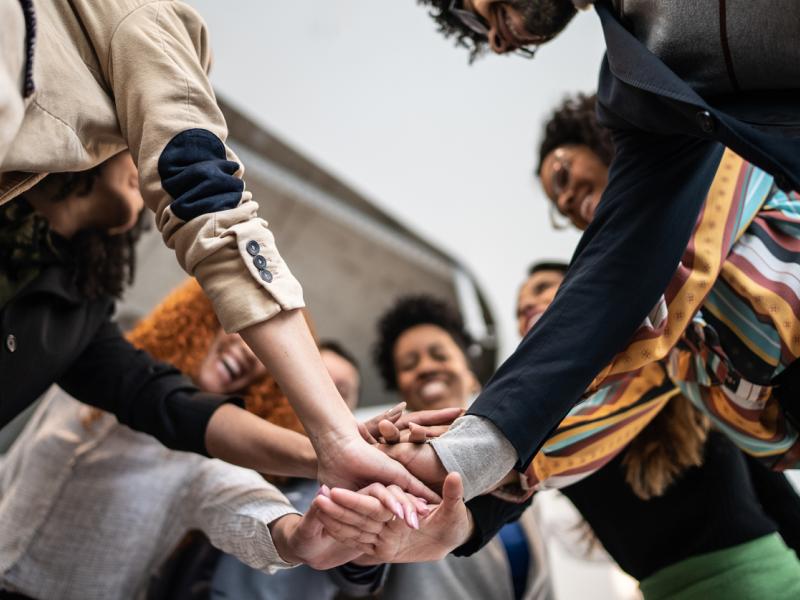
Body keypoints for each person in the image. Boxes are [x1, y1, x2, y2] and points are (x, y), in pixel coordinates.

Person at [0, 0, 429, 498]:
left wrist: (326, 451)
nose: (139, 136)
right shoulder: (143, 22)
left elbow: (163, 400)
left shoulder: (75, 317)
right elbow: (205, 193)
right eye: (132, 125)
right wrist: (335, 431)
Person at [405, 0, 800, 503]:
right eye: (558, 205)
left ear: (598, 142)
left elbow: (632, 279)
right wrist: (465, 477)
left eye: (563, 175)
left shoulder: (718, 142)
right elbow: (615, 387)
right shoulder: (649, 89)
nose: (495, 41)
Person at [0, 281, 418, 600]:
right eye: (247, 329)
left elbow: (243, 504)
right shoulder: (94, 371)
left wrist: (291, 537)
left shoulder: (201, 462)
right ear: (204, 312)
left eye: (268, 362)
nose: (253, 354)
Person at [335, 295, 553, 600]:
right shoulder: (390, 463)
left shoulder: (515, 458)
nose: (426, 368)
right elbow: (356, 579)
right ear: (401, 389)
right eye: (409, 365)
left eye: (439, 355)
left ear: (471, 376)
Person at [208, 339, 365, 600]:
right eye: (319, 384)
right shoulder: (228, 450)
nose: (326, 402)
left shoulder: (347, 491)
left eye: (341, 393)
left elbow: (358, 581)